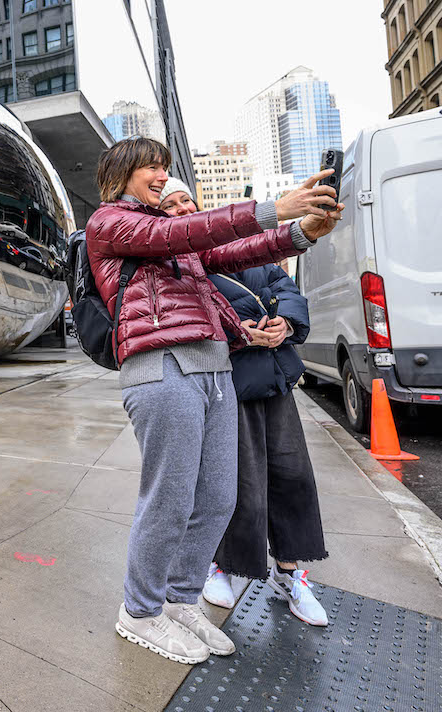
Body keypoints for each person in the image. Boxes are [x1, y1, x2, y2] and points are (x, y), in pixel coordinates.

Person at [86, 137, 341, 665]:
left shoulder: (169, 237)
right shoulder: (112, 222)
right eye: (152, 167)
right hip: (161, 367)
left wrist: (297, 233)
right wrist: (273, 209)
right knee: (171, 498)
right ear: (120, 174)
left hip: (214, 367)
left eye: (165, 167)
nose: (162, 175)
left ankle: (179, 602)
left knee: (219, 497)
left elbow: (234, 251)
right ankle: (139, 611)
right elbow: (187, 229)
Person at [157, 177, 329, 627]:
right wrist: (240, 331)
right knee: (236, 485)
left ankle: (289, 571)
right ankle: (223, 565)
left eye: (185, 200)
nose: (179, 208)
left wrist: (285, 325)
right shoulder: (174, 260)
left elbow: (285, 286)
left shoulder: (247, 244)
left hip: (274, 381)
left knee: (293, 477)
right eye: (169, 204)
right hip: (228, 385)